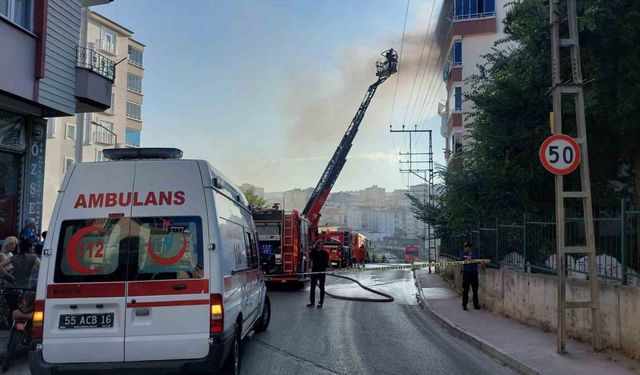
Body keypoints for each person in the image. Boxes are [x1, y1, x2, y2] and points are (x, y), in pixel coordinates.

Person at [0, 236, 18, 328]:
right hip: (3, 281)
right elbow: (5, 269)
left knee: (8, 303)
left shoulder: (11, 255)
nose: (13, 246)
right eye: (11, 244)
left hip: (9, 280)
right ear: (6, 244)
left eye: (14, 244)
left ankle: (5, 322)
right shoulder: (2, 255)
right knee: (3, 302)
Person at [307, 240, 330, 309]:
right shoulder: (313, 252)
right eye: (321, 244)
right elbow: (310, 260)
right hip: (314, 271)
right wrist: (308, 269)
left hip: (322, 272)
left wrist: (331, 269)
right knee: (312, 287)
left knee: (322, 287)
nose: (322, 246)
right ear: (318, 245)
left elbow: (328, 261)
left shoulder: (325, 253)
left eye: (323, 244)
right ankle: (312, 302)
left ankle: (321, 303)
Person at [459, 242, 480, 311]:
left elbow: (479, 261)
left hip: (474, 273)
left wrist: (474, 260)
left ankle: (476, 305)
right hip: (466, 273)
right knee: (465, 290)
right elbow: (461, 262)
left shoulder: (475, 253)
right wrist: (468, 259)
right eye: (464, 247)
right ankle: (464, 305)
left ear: (470, 248)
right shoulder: (462, 254)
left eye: (466, 247)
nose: (465, 248)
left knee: (475, 290)